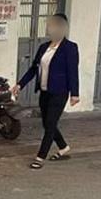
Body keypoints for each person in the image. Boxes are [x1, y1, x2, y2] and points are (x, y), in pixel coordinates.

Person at [13, 13, 80, 169]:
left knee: (50, 123)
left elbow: (72, 71)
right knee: (47, 123)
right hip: (44, 92)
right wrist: (20, 84)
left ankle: (40, 157)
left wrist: (75, 93)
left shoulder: (70, 48)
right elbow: (33, 69)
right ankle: (63, 147)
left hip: (60, 92)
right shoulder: (44, 47)